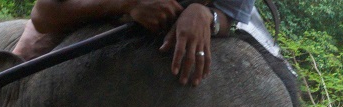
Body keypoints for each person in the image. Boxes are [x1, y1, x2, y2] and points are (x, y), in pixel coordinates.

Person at [14, 0, 255, 86]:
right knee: (16, 75)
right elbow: (45, 14)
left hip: (151, 52)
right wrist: (127, 4)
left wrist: (205, 16)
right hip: (80, 24)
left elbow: (228, 16)